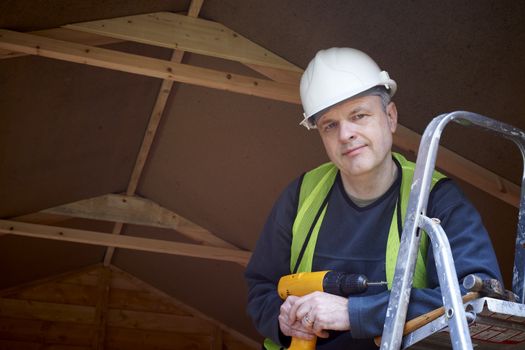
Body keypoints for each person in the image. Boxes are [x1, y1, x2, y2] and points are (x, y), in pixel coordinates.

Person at [244, 47, 502, 349]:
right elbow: (261, 286)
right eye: (330, 125)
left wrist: (354, 313)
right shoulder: (302, 195)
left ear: (390, 117)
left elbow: (478, 298)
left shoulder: (435, 198)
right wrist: (281, 319)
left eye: (359, 116)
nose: (346, 134)